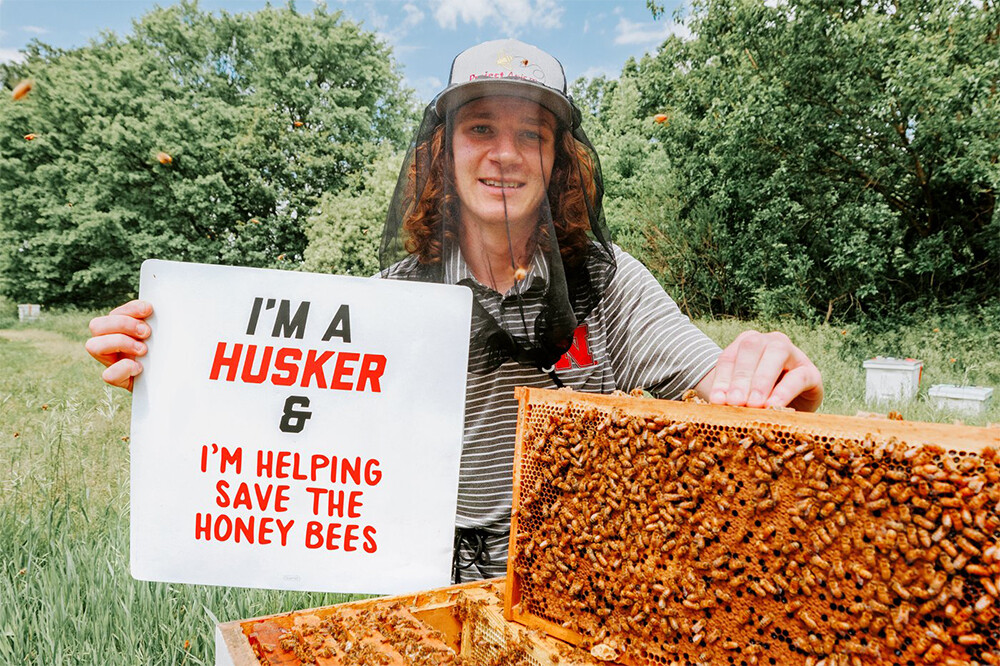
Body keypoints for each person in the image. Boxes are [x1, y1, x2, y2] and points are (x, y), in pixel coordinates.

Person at [86, 39, 822, 582]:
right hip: (417, 577)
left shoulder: (610, 283)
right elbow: (293, 427)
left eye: (529, 134)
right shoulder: (391, 298)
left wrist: (766, 381)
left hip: (573, 576)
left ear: (557, 160)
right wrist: (171, 373)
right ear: (442, 153)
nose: (505, 153)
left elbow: (716, 397)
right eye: (480, 130)